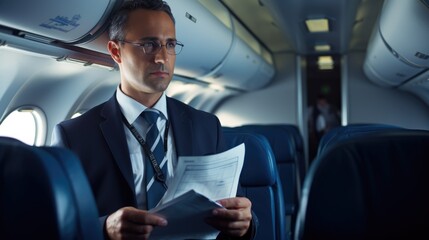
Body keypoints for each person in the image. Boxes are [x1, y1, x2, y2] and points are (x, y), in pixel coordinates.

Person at [51, 0, 256, 239]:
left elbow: (235, 211)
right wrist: (105, 228)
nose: (162, 57)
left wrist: (244, 224)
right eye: (149, 44)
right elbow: (58, 227)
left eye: (169, 44)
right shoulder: (75, 136)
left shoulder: (206, 127)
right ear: (116, 51)